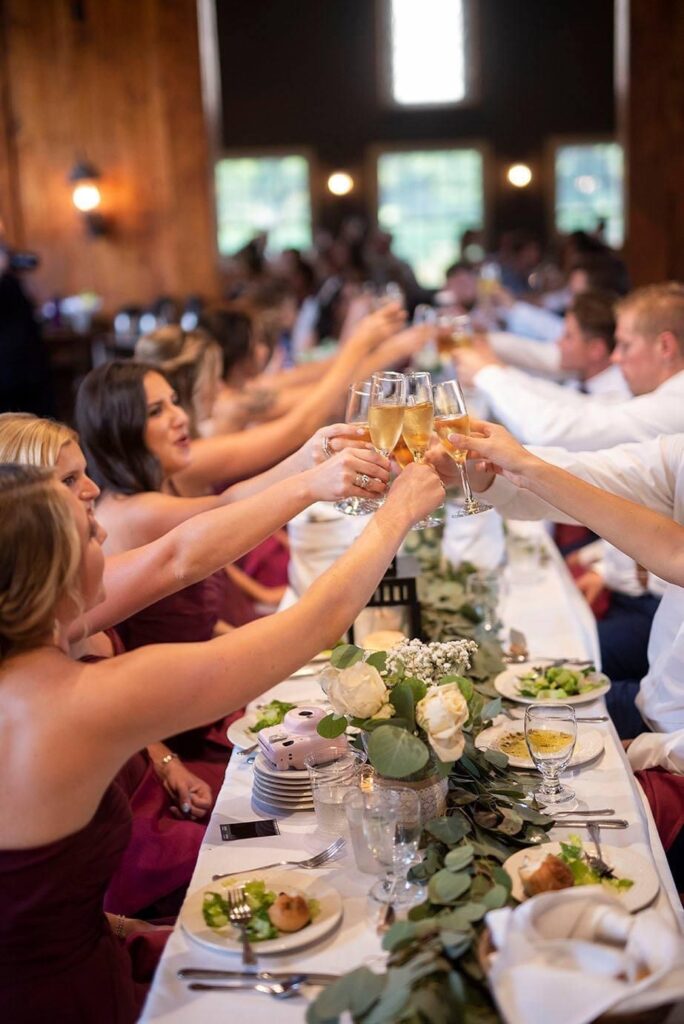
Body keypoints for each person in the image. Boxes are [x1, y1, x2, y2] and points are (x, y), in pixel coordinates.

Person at [0, 458, 444, 1023]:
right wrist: (399, 512)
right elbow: (313, 624)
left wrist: (112, 926)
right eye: (89, 533)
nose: (105, 534)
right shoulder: (80, 699)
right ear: (49, 572)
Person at [428, 421, 684, 741]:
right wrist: (490, 471)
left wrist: (645, 753)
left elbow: (676, 553)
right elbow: (601, 476)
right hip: (656, 704)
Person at [453, 282, 684, 451]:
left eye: (625, 345)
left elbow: (556, 431)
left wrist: (488, 374)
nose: (616, 357)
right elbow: (576, 405)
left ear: (665, 346)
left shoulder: (673, 406)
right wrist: (495, 369)